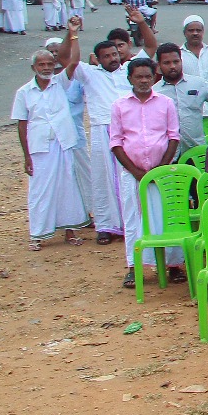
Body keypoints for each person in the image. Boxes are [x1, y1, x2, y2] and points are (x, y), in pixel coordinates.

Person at [59, 15, 151, 246]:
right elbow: (65, 59)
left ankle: (133, 225)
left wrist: (141, 23)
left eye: (114, 54)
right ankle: (105, 226)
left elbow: (151, 47)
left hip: (129, 130)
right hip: (102, 130)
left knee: (128, 177)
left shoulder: (129, 71)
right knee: (103, 179)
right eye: (107, 56)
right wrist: (72, 34)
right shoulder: (89, 74)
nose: (112, 58)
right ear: (98, 59)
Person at [109, 57, 181, 288]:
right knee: (133, 219)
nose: (143, 81)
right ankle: (134, 267)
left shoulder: (166, 103)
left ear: (154, 78)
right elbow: (116, 142)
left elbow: (173, 137)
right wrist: (135, 171)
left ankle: (173, 266)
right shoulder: (119, 105)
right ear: (130, 78)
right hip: (132, 173)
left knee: (166, 217)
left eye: (147, 76)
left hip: (162, 173)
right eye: (138, 77)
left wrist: (161, 168)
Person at [14, 49, 89, 250]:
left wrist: (72, 36)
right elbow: (22, 125)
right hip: (39, 147)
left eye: (50, 64)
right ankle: (37, 234)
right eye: (42, 64)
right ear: (34, 67)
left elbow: (74, 61)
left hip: (63, 143)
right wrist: (26, 156)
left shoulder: (61, 83)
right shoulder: (24, 92)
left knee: (68, 186)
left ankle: (70, 232)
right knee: (40, 190)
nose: (46, 68)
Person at [154, 43, 208, 151]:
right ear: (158, 66)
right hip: (167, 152)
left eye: (176, 61)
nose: (172, 66)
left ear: (181, 61)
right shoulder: (155, 92)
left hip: (196, 150)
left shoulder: (198, 83)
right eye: (167, 63)